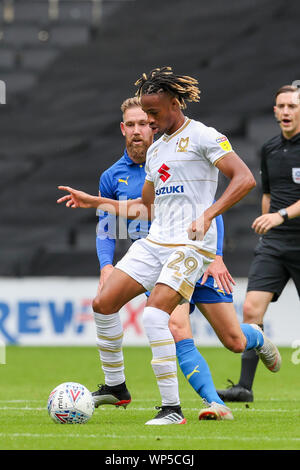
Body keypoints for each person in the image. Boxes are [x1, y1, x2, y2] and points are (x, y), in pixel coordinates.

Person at [57, 67, 281, 424]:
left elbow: (245, 179)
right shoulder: (157, 150)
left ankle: (172, 410)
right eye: (145, 116)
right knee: (103, 302)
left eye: (155, 114)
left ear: (175, 104)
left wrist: (209, 214)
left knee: (154, 316)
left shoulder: (205, 137)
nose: (150, 122)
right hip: (156, 240)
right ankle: (116, 387)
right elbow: (144, 207)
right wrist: (93, 201)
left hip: (192, 246)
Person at [94, 96, 234, 422]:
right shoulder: (114, 176)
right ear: (122, 129)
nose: (140, 129)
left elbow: (208, 204)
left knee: (235, 340)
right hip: (154, 254)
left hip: (195, 250)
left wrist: (217, 254)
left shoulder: (189, 145)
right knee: (169, 322)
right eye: (132, 124)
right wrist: (105, 263)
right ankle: (211, 403)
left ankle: (255, 339)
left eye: (145, 121)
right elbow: (108, 227)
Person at [217, 84, 300, 403]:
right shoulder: (269, 148)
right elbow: (267, 193)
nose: (286, 111)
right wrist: (269, 222)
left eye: (292, 106)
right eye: (281, 106)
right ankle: (244, 387)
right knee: (251, 309)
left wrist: (279, 216)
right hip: (275, 243)